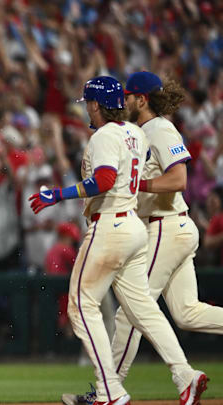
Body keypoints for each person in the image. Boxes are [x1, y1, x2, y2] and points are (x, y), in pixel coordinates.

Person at [28, 76, 205, 405]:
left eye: (88, 104)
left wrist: (58, 194)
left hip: (111, 227)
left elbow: (105, 180)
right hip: (136, 231)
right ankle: (185, 375)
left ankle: (109, 390)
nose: (87, 109)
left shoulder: (105, 136)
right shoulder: (135, 132)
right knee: (143, 310)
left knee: (81, 305)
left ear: (96, 105)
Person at [106, 72, 213, 402]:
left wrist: (139, 185)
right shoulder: (141, 131)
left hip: (165, 226)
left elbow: (179, 178)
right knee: (187, 313)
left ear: (141, 99)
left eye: (128, 97)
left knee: (130, 311)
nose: (123, 102)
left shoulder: (160, 128)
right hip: (171, 227)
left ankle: (107, 389)